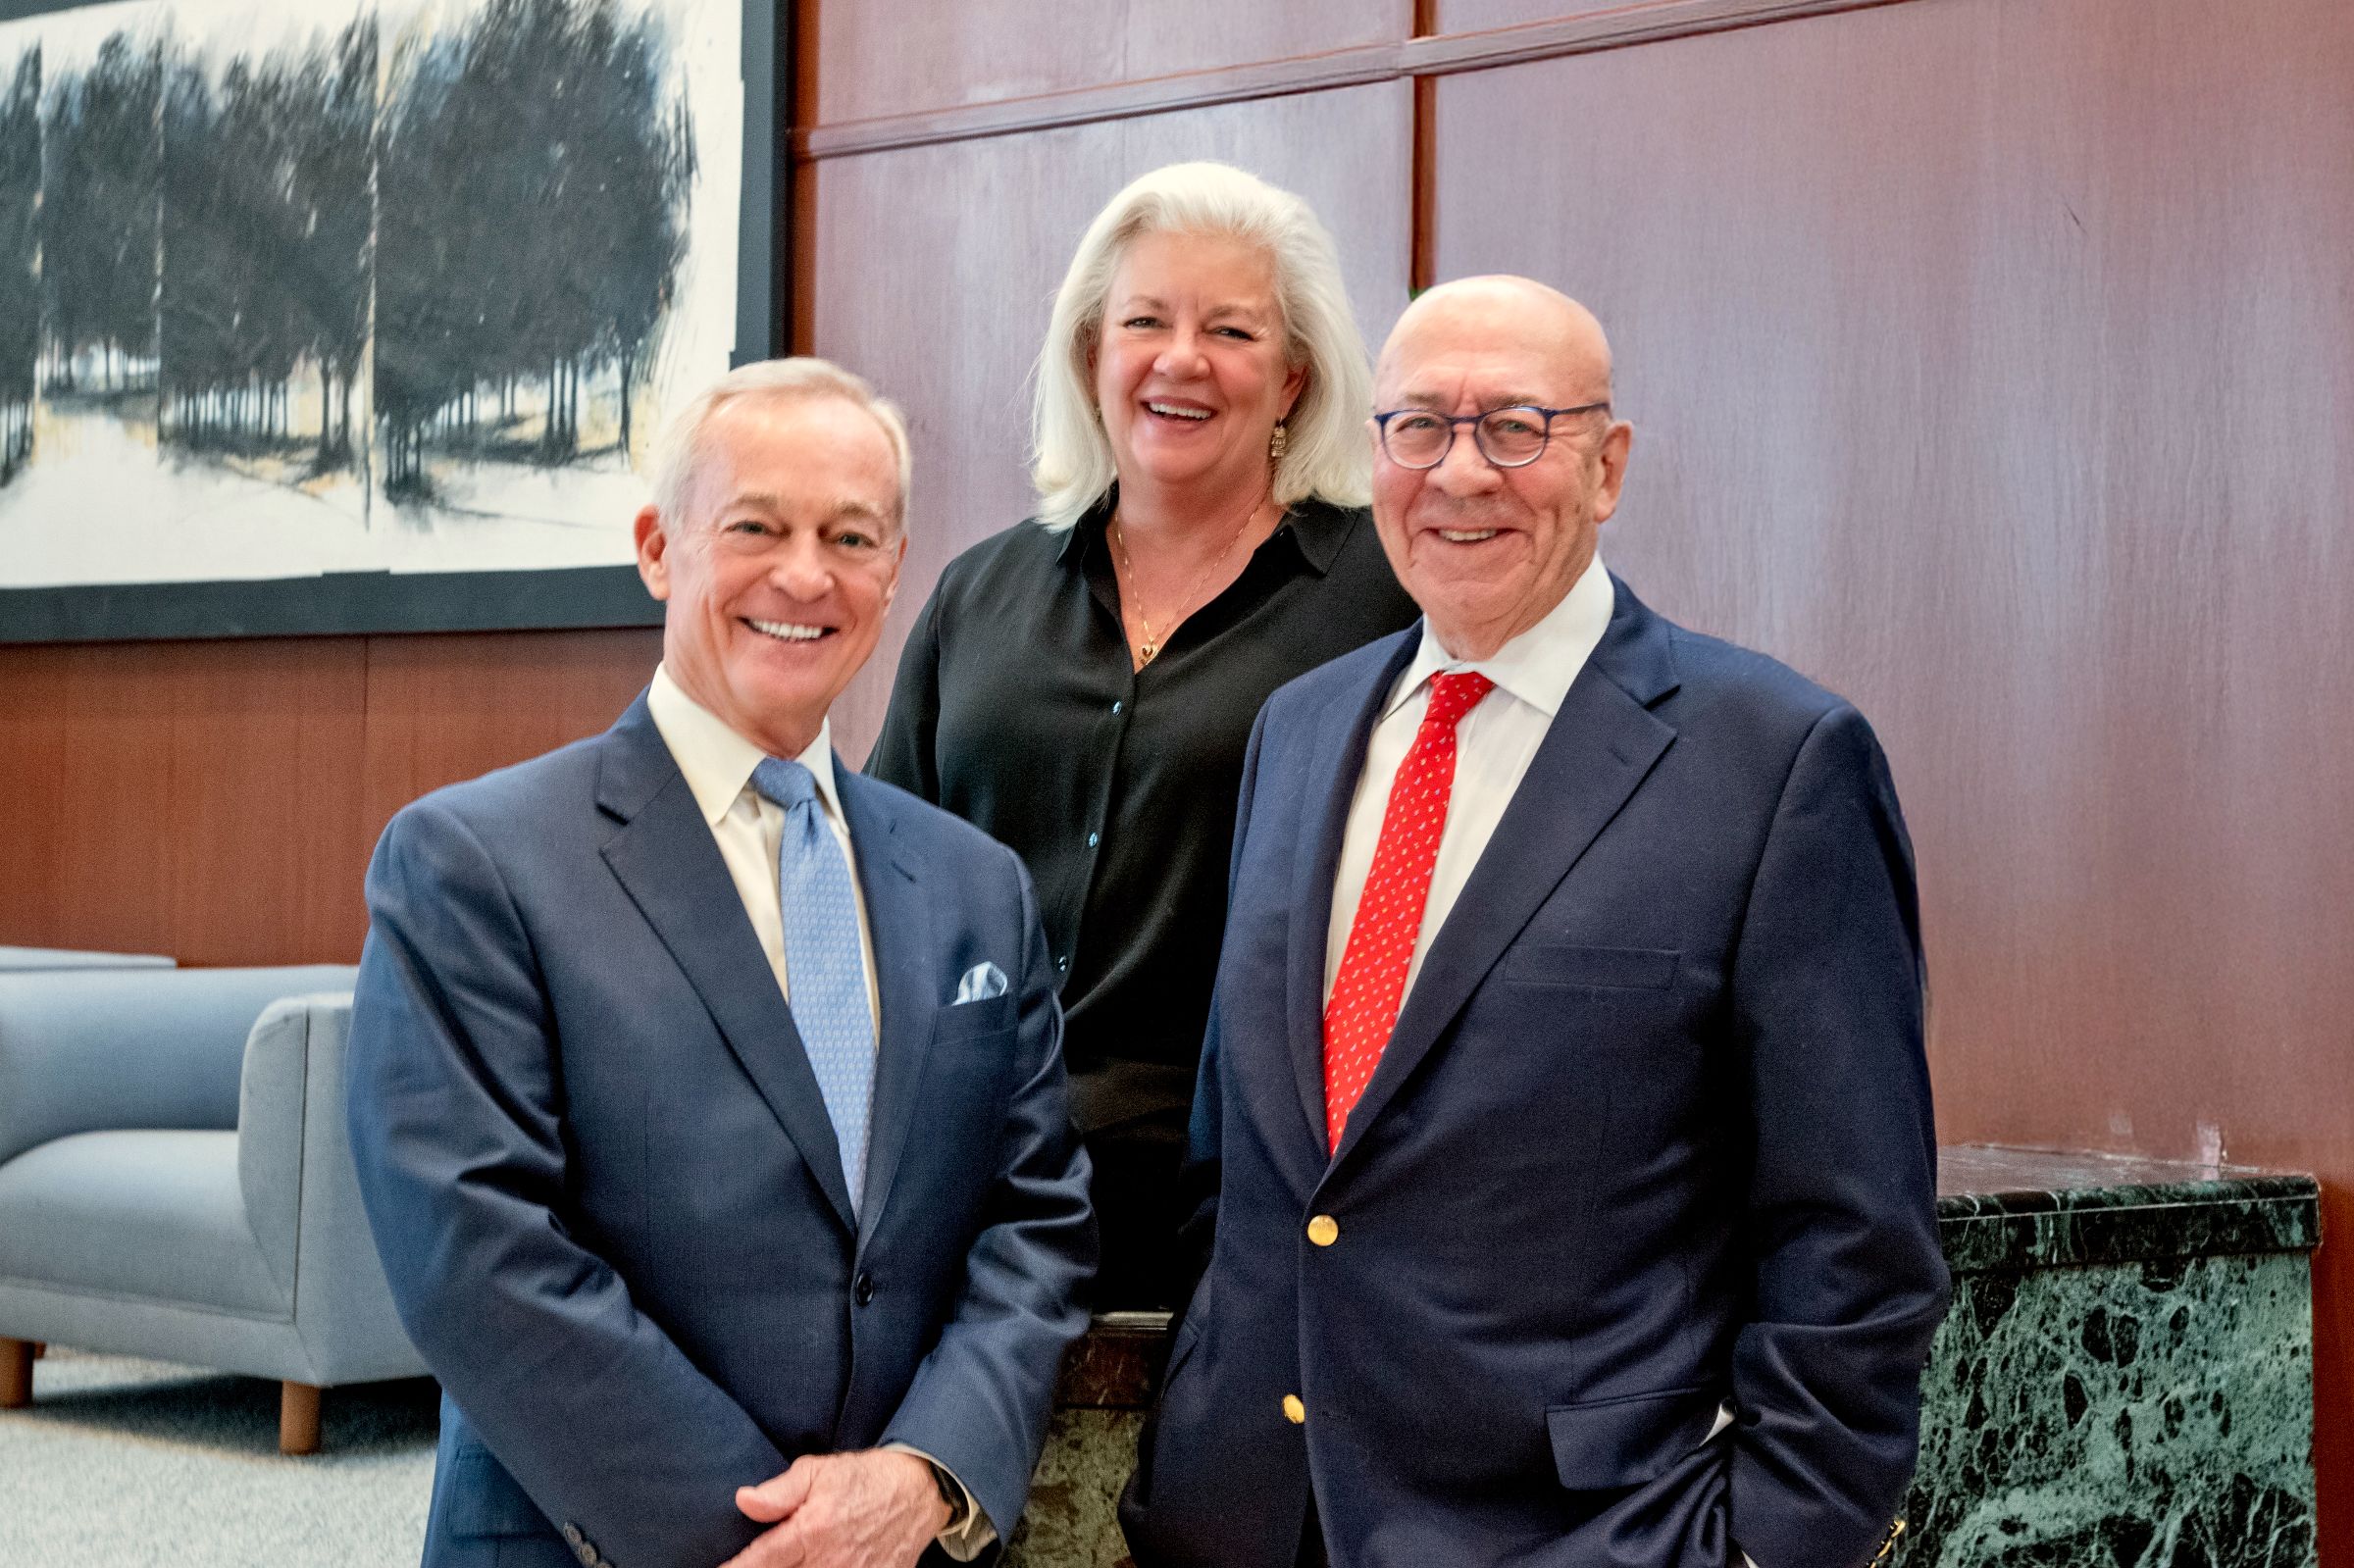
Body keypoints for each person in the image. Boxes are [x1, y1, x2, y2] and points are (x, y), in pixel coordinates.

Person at [1119, 278, 1949, 1567]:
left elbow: (1855, 1239)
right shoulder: (1298, 728)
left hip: (1582, 1532)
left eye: (1517, 427)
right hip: (1237, 1520)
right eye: (1419, 429)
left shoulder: (1776, 762)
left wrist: (1762, 1546)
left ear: (1607, 466)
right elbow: (1244, 1161)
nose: (1462, 474)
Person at [347, 359, 1095, 1568]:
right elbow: (475, 1253)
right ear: (658, 546)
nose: (806, 574)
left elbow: (1037, 1222)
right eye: (757, 526)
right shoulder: (476, 862)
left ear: (894, 570)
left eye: (851, 536)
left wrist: (922, 1478)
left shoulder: (975, 887)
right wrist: (777, 1540)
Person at [867, 163, 1417, 1309]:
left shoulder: (1389, 599)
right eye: (1144, 322)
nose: (1181, 359)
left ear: (1294, 380)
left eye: (1231, 329)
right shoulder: (981, 593)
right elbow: (886, 879)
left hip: (1239, 1218)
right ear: (1090, 356)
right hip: (959, 1192)